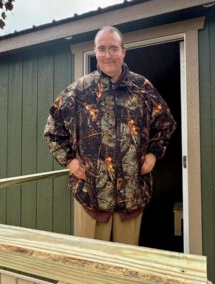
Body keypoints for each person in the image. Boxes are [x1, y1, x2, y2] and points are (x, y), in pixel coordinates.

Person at [44, 26, 176, 245]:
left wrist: (153, 154)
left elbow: (166, 124)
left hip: (132, 196)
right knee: (93, 267)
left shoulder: (142, 88)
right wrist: (70, 161)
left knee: (124, 264)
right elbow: (52, 130)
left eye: (113, 48)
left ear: (124, 51)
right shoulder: (79, 90)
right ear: (95, 52)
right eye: (102, 49)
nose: (108, 55)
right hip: (91, 196)